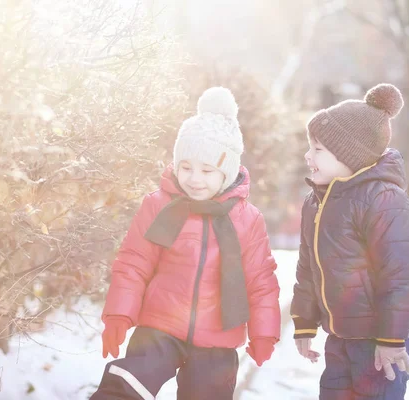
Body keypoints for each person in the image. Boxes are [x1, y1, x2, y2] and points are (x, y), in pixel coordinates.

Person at [90, 87, 281, 400]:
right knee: (125, 385)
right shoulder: (158, 206)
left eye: (207, 171)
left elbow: (261, 282)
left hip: (218, 338)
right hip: (159, 327)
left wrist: (264, 332)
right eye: (186, 167)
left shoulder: (248, 219)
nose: (194, 179)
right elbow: (133, 263)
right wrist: (118, 315)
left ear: (227, 172)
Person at [291, 83, 409, 400]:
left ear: (351, 155)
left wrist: (391, 339)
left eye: (318, 149)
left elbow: (400, 278)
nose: (308, 156)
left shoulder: (384, 201)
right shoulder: (317, 202)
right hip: (339, 335)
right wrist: (304, 323)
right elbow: (309, 267)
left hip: (380, 341)